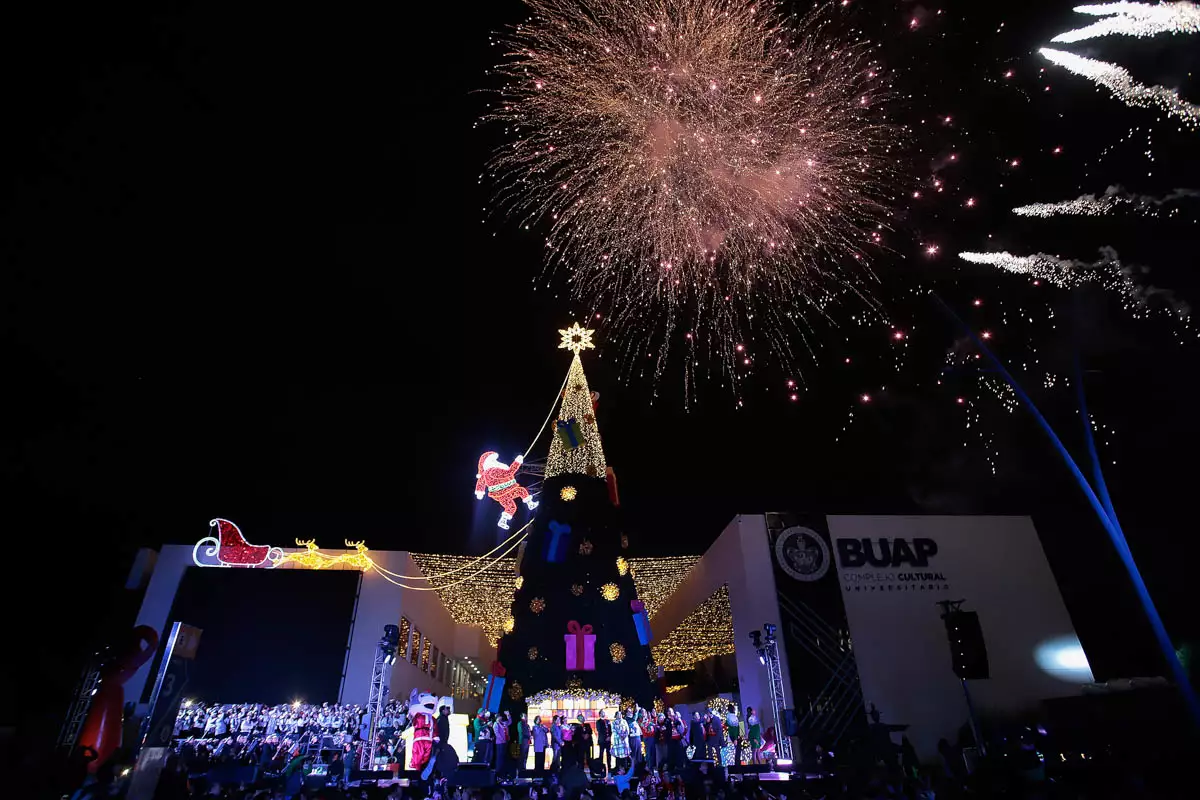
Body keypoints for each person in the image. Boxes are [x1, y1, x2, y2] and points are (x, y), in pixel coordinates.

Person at [611, 709, 630, 774]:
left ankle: (625, 770)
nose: (620, 715)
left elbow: (627, 729)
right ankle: (618, 770)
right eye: (618, 714)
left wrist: (624, 735)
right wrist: (620, 735)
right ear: (616, 716)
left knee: (625, 756)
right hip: (618, 741)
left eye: (620, 714)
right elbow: (613, 731)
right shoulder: (613, 722)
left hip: (624, 741)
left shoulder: (624, 721)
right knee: (618, 757)